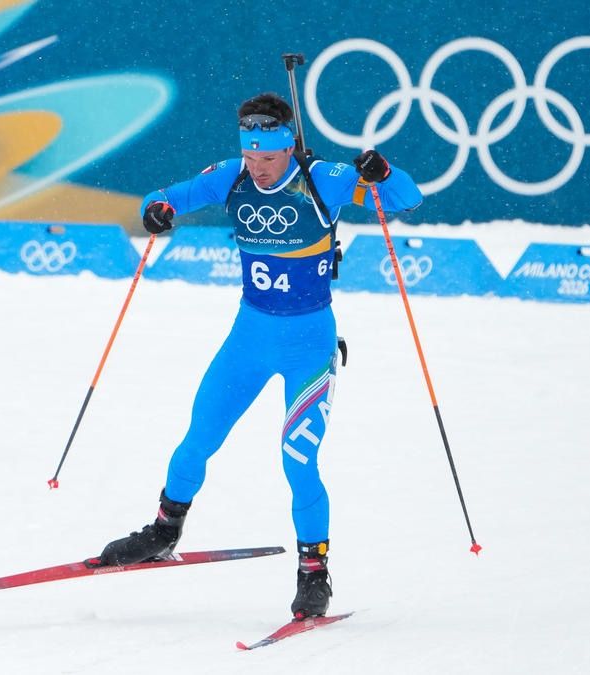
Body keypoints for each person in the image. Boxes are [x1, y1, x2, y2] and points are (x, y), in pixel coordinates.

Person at [93, 92, 423, 619]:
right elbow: (164, 196)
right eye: (250, 156)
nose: (258, 167)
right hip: (248, 340)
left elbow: (407, 198)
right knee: (198, 438)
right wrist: (157, 211)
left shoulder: (324, 179)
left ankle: (313, 573)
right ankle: (163, 531)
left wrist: (382, 172)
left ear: (289, 148)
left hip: (308, 347)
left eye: (268, 157)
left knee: (298, 461)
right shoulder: (232, 177)